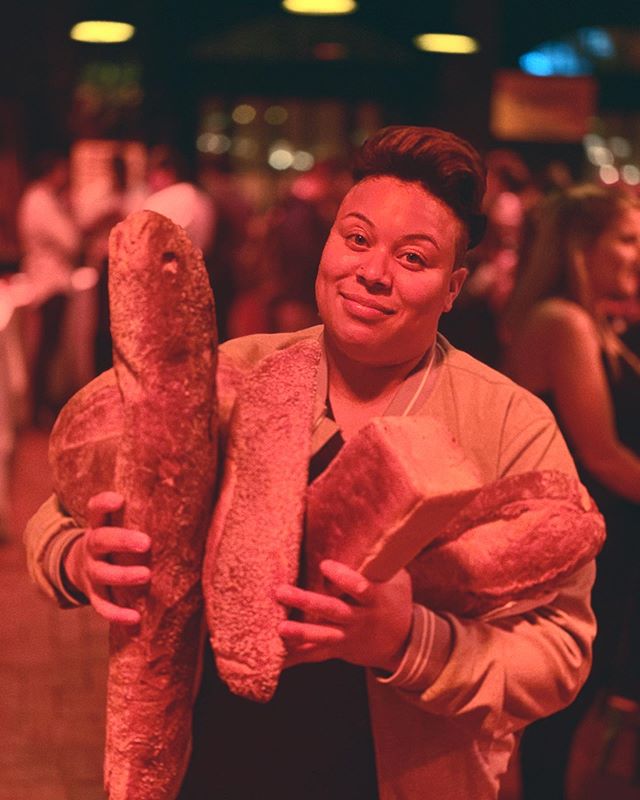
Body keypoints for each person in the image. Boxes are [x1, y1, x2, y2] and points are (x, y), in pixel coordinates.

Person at [24, 127, 597, 800]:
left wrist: (408, 642)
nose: (373, 272)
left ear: (452, 287)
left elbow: (562, 651)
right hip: (214, 762)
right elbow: (57, 515)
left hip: (406, 776)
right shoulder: (232, 373)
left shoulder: (506, 422)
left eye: (413, 258)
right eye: (356, 240)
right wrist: (77, 558)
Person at [502, 184, 640, 799]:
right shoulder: (562, 321)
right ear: (586, 246)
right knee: (562, 706)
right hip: (581, 541)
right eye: (628, 239)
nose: (638, 253)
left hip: (600, 535)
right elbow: (602, 455)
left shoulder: (595, 320)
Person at [17, 150, 81, 425]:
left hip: (49, 280)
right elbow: (70, 240)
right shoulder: (40, 200)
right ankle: (38, 408)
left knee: (47, 347)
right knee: (45, 348)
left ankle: (41, 405)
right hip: (49, 282)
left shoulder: (39, 198)